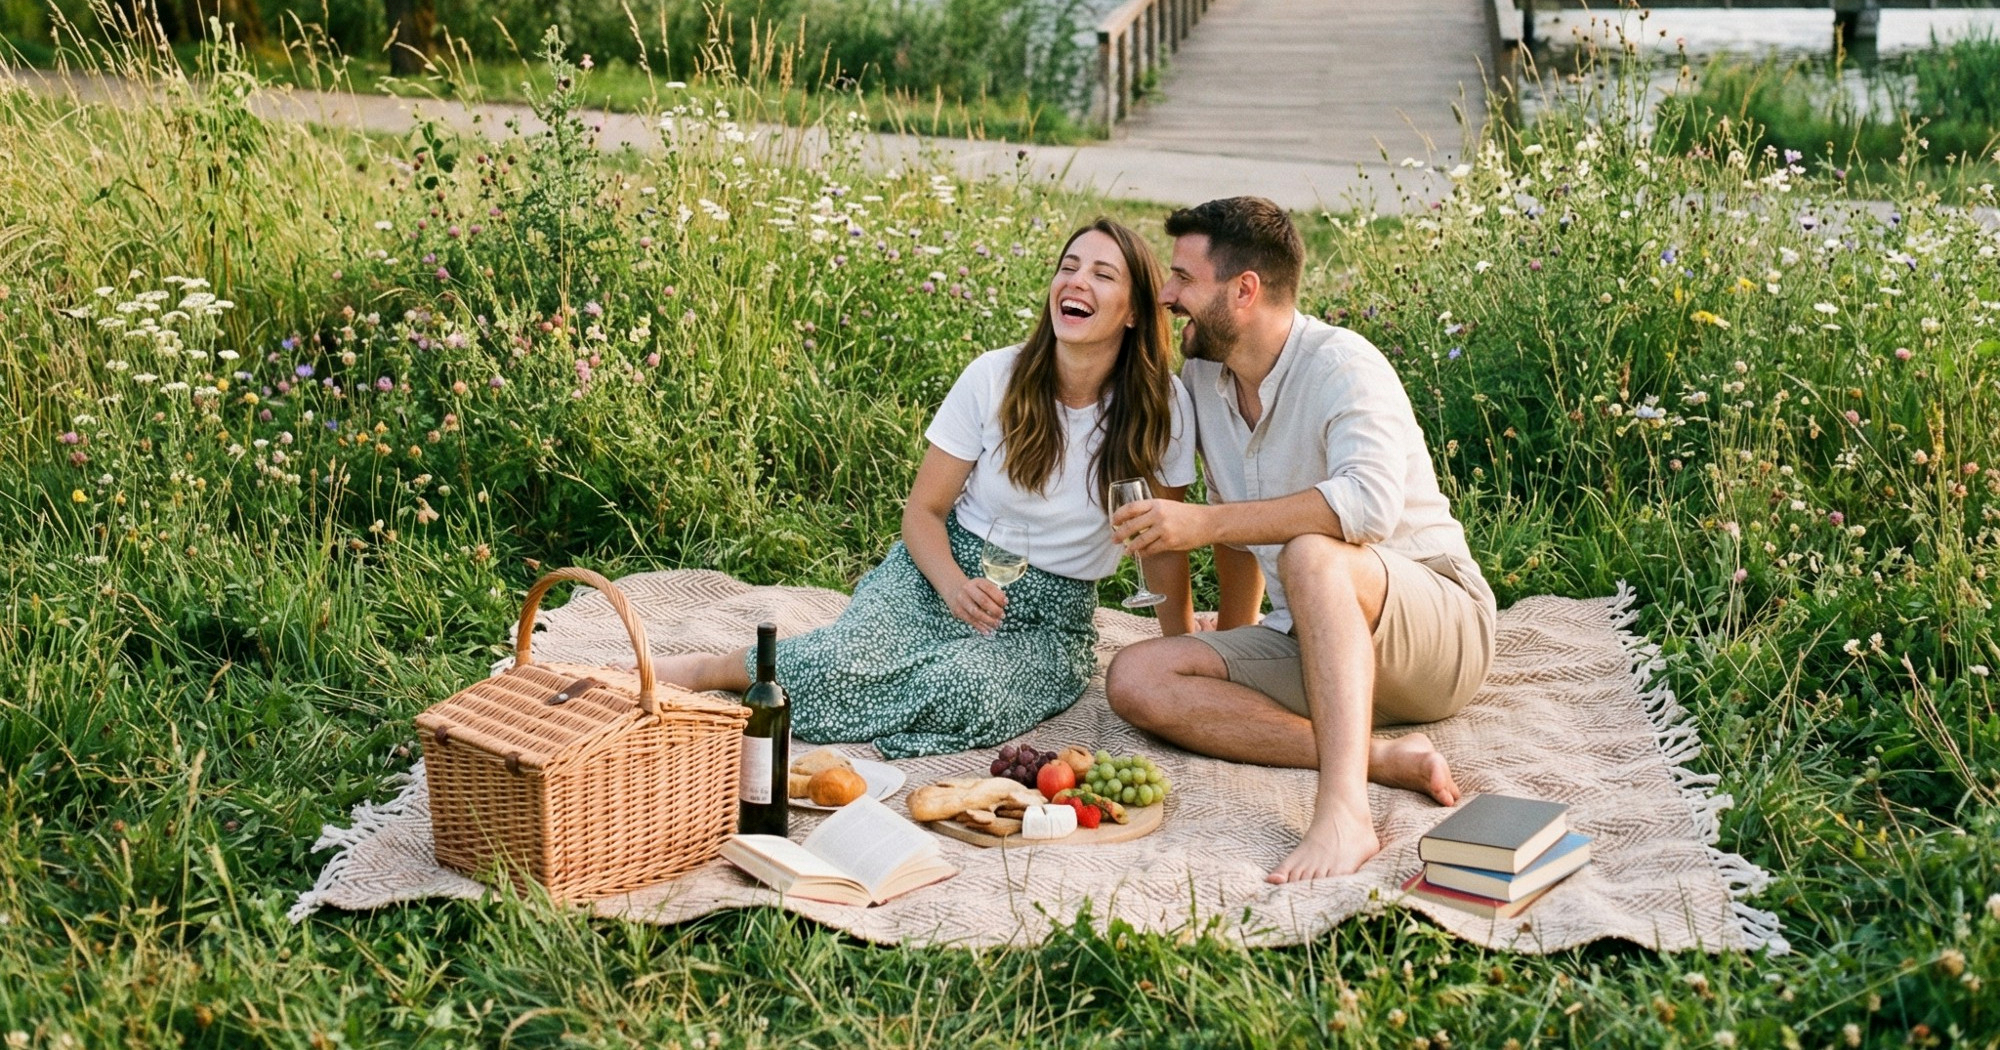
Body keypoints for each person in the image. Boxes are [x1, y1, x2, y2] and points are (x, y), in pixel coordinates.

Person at [650, 219, 1199, 759]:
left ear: (1133, 311)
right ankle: (712, 669)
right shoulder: (995, 377)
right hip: (940, 570)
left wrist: (1183, 649)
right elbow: (923, 512)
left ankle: (851, 697)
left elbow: (1162, 545)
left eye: (1102, 275)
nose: (1076, 282)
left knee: (968, 688)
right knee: (845, 657)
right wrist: (955, 586)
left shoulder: (1162, 407)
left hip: (1051, 618)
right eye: (1068, 267)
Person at [1105, 197, 1496, 883]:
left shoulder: (1343, 365)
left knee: (1313, 550)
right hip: (1309, 637)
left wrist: (1203, 523)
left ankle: (1344, 814)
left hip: (1437, 631)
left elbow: (1366, 509)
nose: (1166, 295)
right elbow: (1235, 524)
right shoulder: (1203, 380)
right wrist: (1230, 634)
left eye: (1183, 279)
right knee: (1138, 675)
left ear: (1244, 290)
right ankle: (1381, 758)